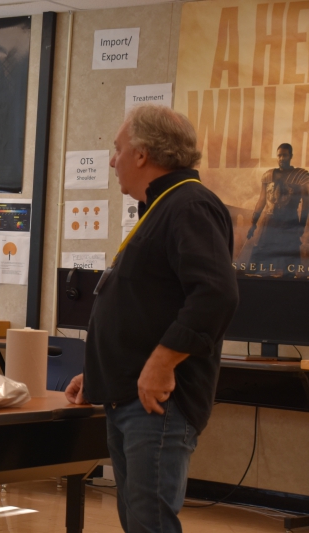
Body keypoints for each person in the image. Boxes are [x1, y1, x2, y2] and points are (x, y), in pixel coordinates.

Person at [64, 105, 239, 533]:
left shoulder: (189, 205)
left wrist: (161, 364)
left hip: (158, 404)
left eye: (118, 149)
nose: (112, 160)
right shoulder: (161, 208)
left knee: (150, 524)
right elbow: (146, 305)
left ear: (142, 154)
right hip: (130, 396)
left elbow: (215, 294)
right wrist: (99, 373)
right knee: (137, 521)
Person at [247, 143, 309, 276]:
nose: (281, 158)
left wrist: (301, 225)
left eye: (284, 155)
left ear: (290, 156)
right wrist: (253, 223)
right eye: (279, 155)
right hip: (269, 222)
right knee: (261, 263)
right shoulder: (268, 175)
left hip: (289, 223)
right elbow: (262, 200)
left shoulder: (300, 176)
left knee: (289, 263)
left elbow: (306, 204)